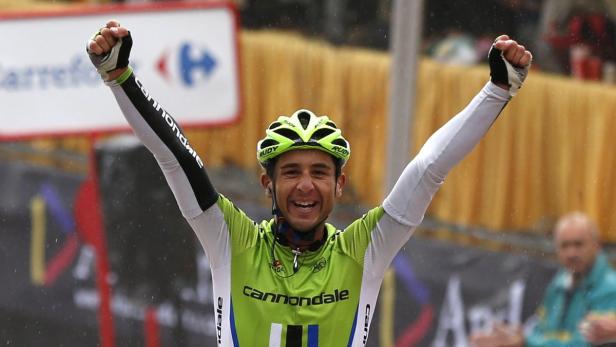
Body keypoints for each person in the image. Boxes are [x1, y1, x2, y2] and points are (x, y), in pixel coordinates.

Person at [87, 20, 531, 346]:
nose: (305, 186)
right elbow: (176, 158)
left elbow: (428, 168)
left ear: (341, 185)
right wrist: (120, 77)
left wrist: (497, 90)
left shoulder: (365, 249)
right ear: (267, 182)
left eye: (320, 173)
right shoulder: (231, 241)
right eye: (291, 172)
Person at [470, 212, 616, 347]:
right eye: (564, 246)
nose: (571, 253)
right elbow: (542, 331)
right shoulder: (560, 282)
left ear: (597, 245)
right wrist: (519, 338)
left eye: (578, 244)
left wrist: (526, 342)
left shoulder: (610, 288)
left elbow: (583, 344)